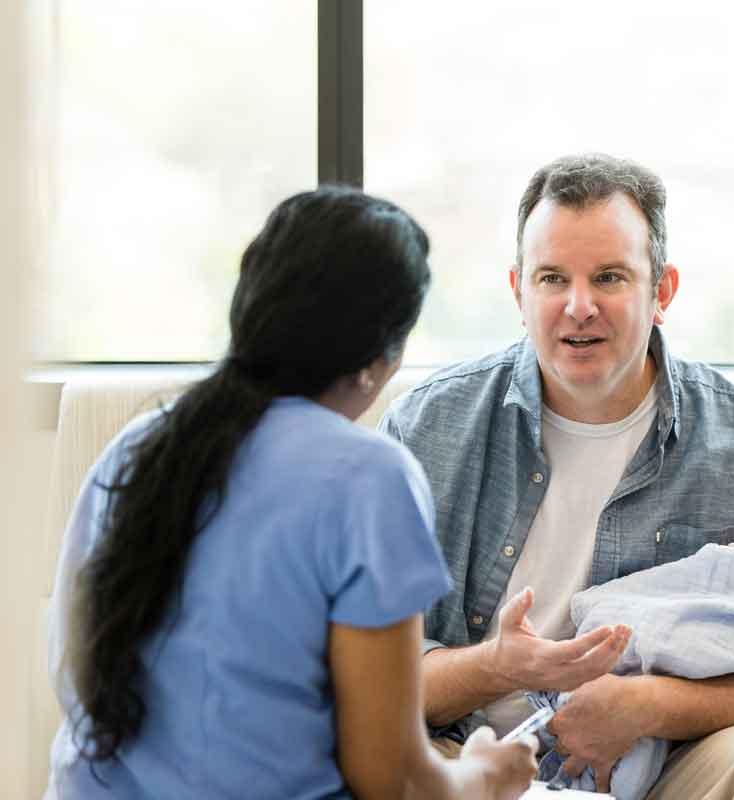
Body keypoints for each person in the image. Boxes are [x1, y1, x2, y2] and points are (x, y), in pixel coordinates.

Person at [45, 187, 537, 800]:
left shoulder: (140, 445)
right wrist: (489, 774)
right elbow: (390, 780)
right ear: (379, 355)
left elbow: (71, 668)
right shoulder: (368, 478)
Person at [379, 154, 734, 799]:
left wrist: (649, 706)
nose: (578, 306)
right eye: (551, 278)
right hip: (467, 757)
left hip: (658, 766)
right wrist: (495, 667)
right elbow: (365, 673)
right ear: (519, 291)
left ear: (662, 291)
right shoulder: (428, 429)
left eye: (609, 277)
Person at [527, 527, 734, 798]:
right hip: (485, 735)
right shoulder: (476, 444)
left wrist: (647, 704)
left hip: (671, 755)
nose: (729, 549)